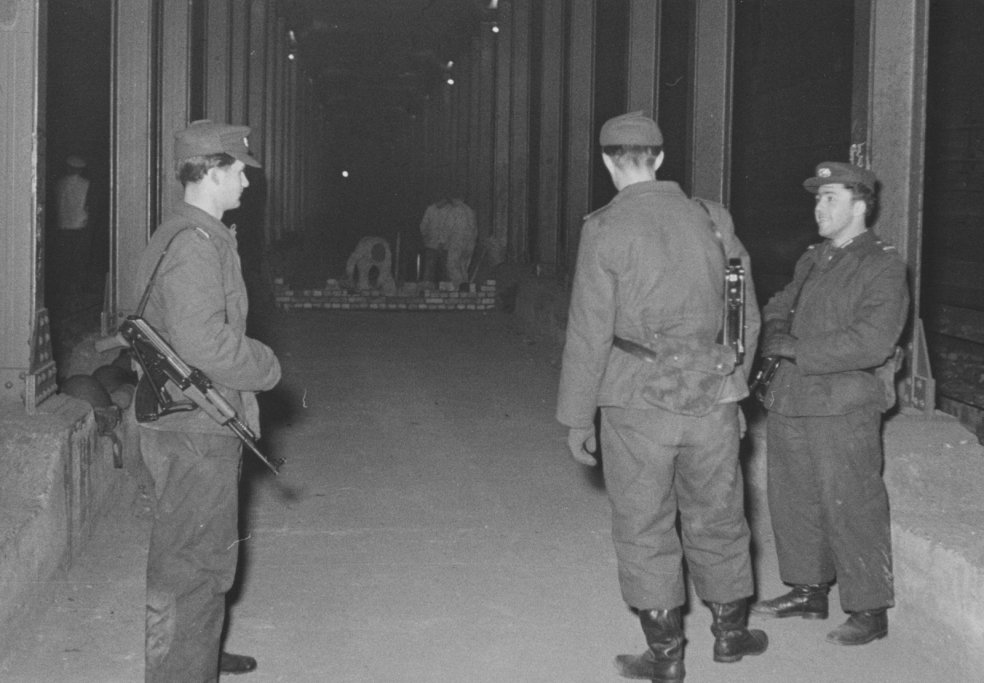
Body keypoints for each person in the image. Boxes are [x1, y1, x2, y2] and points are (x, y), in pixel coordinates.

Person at [556, 111, 765, 682]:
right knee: (720, 516)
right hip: (714, 395)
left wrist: (577, 418)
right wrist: (734, 383)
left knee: (646, 522)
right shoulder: (711, 218)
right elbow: (745, 314)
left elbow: (589, 328)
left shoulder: (604, 228)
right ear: (660, 157)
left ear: (607, 162)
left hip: (636, 401)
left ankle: (665, 657)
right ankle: (730, 634)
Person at [133, 120, 281, 681]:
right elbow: (203, 342)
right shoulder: (194, 247)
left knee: (201, 555)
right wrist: (267, 366)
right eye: (239, 168)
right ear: (213, 171)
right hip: (194, 428)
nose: (246, 177)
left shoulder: (188, 234)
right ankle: (179, 672)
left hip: (190, 419)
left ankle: (196, 654)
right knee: (193, 565)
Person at [751, 162, 909, 646]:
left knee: (852, 503)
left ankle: (868, 608)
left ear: (860, 205)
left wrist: (793, 347)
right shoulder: (813, 258)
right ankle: (808, 589)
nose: (819, 208)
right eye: (817, 199)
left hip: (843, 403)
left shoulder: (883, 264)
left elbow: (872, 341)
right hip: (793, 398)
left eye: (830, 198)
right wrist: (776, 329)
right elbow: (778, 304)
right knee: (793, 499)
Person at [418, 194, 477, 286]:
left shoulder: (453, 210)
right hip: (455, 246)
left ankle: (457, 288)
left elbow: (447, 227)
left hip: (448, 245)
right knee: (460, 268)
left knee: (450, 268)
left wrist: (441, 241)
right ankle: (461, 288)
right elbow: (474, 230)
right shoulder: (468, 210)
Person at [53, 154, 92, 283]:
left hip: (62, 226)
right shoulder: (86, 184)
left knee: (64, 260)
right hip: (79, 226)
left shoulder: (59, 183)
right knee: (79, 260)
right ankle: (77, 286)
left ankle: (65, 286)